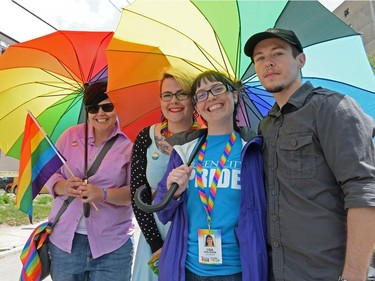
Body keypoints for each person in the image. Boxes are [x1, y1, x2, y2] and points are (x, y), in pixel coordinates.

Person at [244, 28, 375, 281]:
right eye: (259, 58)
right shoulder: (266, 125)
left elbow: (364, 193)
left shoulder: (332, 107)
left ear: (300, 60)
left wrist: (353, 276)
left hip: (330, 272)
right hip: (280, 271)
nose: (267, 62)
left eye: (277, 53)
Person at [154, 70, 268, 281]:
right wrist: (174, 194)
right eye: (202, 94)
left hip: (237, 270)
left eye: (217, 89)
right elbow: (163, 212)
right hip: (187, 269)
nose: (211, 98)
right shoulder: (185, 151)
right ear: (196, 107)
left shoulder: (253, 150)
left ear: (234, 95)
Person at [45, 81, 135, 281]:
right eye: (93, 108)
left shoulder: (130, 143)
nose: (100, 113)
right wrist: (65, 187)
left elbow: (134, 194)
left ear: (117, 108)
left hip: (112, 246)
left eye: (107, 107)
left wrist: (101, 194)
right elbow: (52, 175)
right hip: (65, 243)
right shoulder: (70, 136)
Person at [130, 67, 200, 280]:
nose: (174, 101)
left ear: (193, 99)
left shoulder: (207, 137)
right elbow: (137, 193)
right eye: (167, 95)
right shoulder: (147, 136)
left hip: (193, 232)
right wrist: (156, 244)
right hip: (156, 232)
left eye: (182, 94)